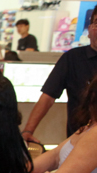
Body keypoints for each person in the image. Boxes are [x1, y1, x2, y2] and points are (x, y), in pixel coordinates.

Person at [21, 10, 97, 140]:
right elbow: (48, 97)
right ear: (89, 30)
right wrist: (28, 130)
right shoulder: (72, 58)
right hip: (77, 140)